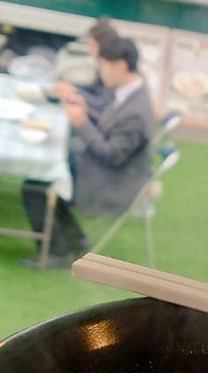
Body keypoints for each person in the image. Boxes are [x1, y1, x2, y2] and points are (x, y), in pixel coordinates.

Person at [21, 35, 154, 269]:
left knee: (36, 186)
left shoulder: (136, 110)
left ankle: (58, 251)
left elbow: (112, 155)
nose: (100, 72)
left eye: (103, 66)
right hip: (108, 170)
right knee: (49, 172)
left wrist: (82, 122)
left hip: (114, 184)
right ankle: (75, 241)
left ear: (120, 65)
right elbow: (106, 118)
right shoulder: (130, 92)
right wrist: (81, 106)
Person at [50, 18, 118, 123]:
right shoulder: (102, 64)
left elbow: (102, 105)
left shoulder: (112, 70)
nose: (89, 51)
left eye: (91, 46)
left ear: (102, 45)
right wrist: (69, 86)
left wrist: (74, 91)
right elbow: (93, 89)